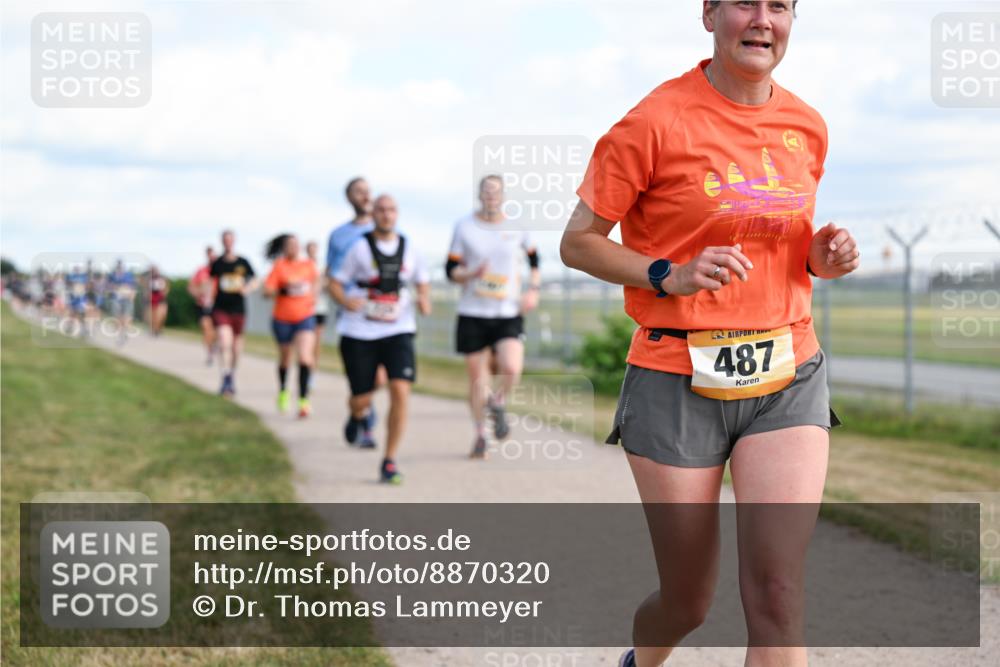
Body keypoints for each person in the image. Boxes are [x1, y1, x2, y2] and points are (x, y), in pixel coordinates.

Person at [559, 2, 860, 666]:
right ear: (709, 15)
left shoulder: (806, 126)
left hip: (788, 370)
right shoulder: (653, 122)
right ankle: (641, 659)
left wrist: (821, 257)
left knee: (779, 595)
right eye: (743, 3)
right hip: (675, 378)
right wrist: (668, 273)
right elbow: (577, 244)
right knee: (688, 599)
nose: (762, 19)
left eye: (778, 5)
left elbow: (785, 251)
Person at [330, 194, 431, 484]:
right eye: (382, 210)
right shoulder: (358, 248)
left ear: (397, 214)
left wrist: (424, 300)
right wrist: (345, 301)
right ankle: (356, 414)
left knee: (400, 390)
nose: (387, 215)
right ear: (373, 214)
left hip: (398, 329)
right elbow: (335, 282)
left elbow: (422, 282)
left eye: (392, 210)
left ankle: (389, 460)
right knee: (362, 397)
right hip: (359, 331)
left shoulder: (410, 248)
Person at [446, 175, 541, 458]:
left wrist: (533, 289)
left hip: (507, 311)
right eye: (486, 192)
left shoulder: (518, 227)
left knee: (511, 368)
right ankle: (480, 435)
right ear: (479, 195)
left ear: (503, 196)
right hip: (473, 312)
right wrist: (469, 274)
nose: (491, 197)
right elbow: (450, 271)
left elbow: (535, 260)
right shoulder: (464, 227)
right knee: (478, 378)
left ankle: (497, 402)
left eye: (496, 192)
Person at [326, 176, 384, 428]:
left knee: (380, 377)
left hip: (384, 310)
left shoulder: (386, 228)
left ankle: (361, 410)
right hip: (353, 313)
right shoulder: (339, 235)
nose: (365, 196)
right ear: (349, 197)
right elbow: (331, 274)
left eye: (367, 191)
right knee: (359, 375)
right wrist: (342, 299)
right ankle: (361, 415)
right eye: (359, 192)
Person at [263, 233, 319, 417]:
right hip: (282, 318)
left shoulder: (308, 266)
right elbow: (267, 291)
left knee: (305, 358)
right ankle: (283, 391)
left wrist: (314, 298)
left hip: (304, 317)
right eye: (289, 245)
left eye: (296, 244)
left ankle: (303, 400)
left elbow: (317, 283)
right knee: (285, 359)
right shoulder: (279, 266)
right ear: (284, 248)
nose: (293, 247)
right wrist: (282, 290)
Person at [210, 229, 259, 397]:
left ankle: (232, 374)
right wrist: (208, 299)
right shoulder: (217, 263)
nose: (227, 242)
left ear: (234, 241)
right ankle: (225, 376)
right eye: (225, 240)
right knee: (225, 342)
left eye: (230, 239)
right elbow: (211, 282)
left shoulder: (243, 262)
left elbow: (254, 279)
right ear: (222, 241)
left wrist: (247, 288)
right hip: (221, 307)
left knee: (236, 347)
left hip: (238, 309)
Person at [189, 246, 219, 365]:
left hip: (218, 305)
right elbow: (191, 287)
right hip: (203, 305)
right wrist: (198, 294)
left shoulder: (221, 271)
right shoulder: (201, 271)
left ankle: (214, 344)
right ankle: (210, 353)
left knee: (216, 331)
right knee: (206, 328)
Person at [306, 240, 329, 372]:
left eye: (314, 249)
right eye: (310, 249)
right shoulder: (302, 266)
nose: (312, 251)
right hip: (304, 308)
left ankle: (312, 371)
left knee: (317, 341)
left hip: (320, 308)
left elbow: (329, 284)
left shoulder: (322, 267)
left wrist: (322, 283)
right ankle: (305, 366)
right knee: (305, 340)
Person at [108, 259, 137, 345]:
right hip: (116, 299)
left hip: (127, 299)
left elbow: (133, 287)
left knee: (126, 317)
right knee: (117, 318)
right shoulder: (112, 276)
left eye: (121, 267)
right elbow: (108, 287)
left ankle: (124, 333)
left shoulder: (129, 275)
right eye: (118, 267)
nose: (119, 268)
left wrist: (132, 296)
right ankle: (119, 335)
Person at [146, 266, 169, 337]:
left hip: (160, 299)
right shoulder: (149, 280)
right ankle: (154, 330)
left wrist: (164, 293)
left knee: (161, 315)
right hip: (153, 299)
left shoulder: (162, 279)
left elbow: (166, 289)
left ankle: (157, 329)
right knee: (153, 315)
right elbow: (147, 291)